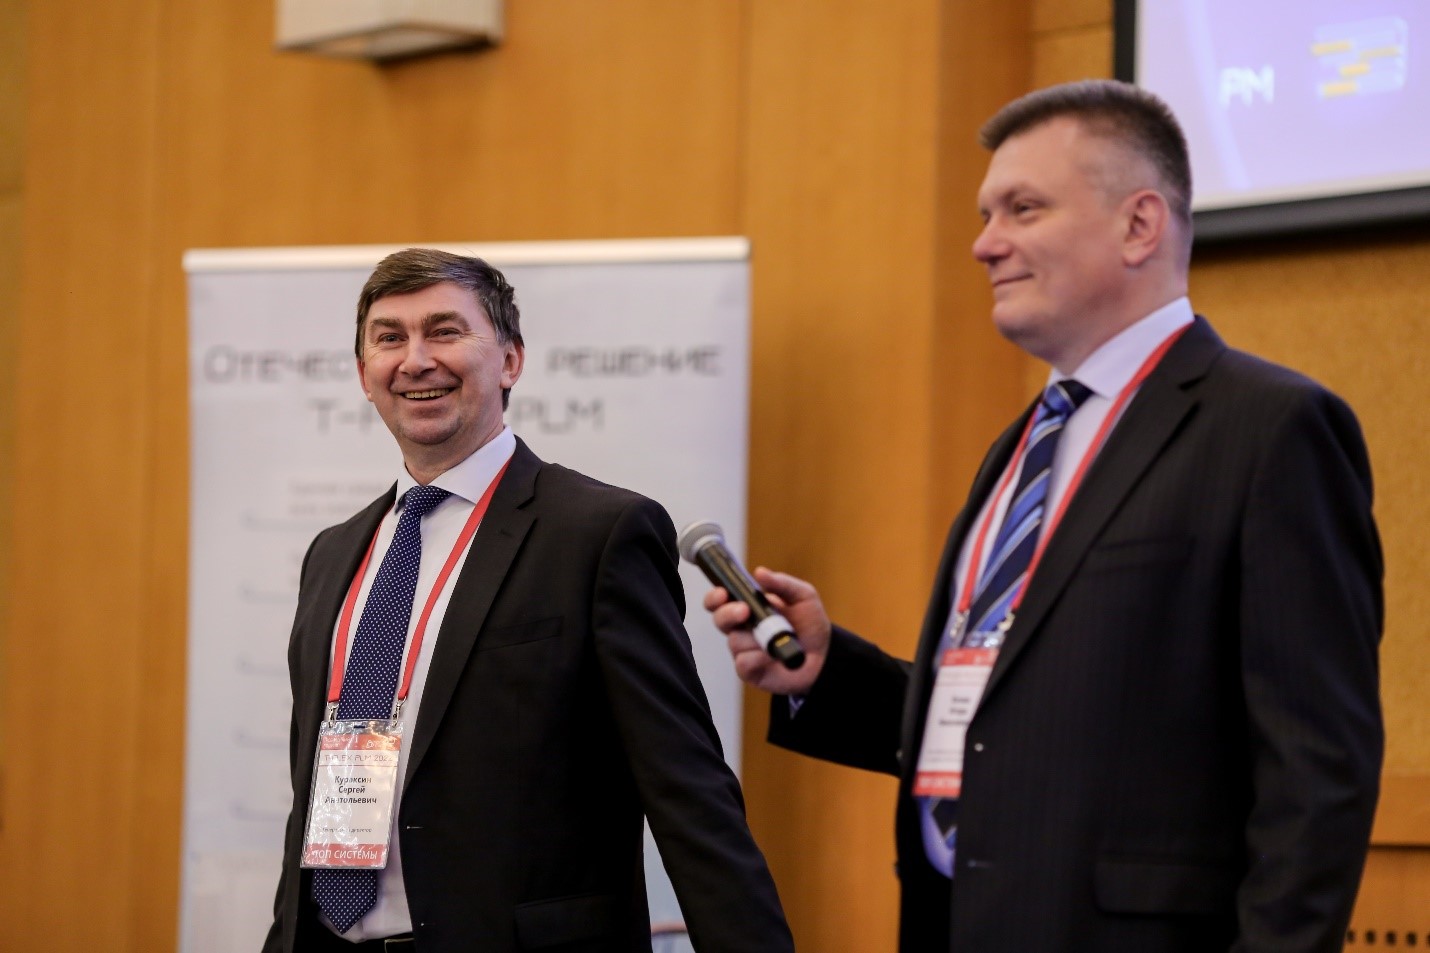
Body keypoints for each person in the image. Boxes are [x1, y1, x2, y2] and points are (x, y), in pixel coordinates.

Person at [705, 80, 1382, 953]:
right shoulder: (1024, 444)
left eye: (1023, 209)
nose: (985, 243)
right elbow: (1003, 719)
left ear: (1139, 225)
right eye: (987, 214)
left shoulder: (1270, 428)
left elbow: (1318, 771)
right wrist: (826, 674)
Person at [264, 248, 793, 953]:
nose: (416, 360)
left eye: (445, 331)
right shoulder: (334, 554)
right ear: (364, 375)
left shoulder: (599, 534)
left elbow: (687, 789)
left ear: (511, 360)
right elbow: (319, 788)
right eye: (390, 338)